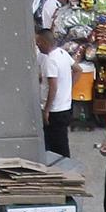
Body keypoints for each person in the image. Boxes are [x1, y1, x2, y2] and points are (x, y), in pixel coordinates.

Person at [37, 29, 76, 157]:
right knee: (61, 141)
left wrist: (47, 110)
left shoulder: (50, 60)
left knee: (56, 146)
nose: (38, 46)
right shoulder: (63, 53)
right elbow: (78, 69)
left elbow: (52, 87)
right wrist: (69, 87)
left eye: (38, 43)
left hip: (55, 111)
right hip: (66, 106)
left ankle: (62, 171)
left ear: (44, 42)